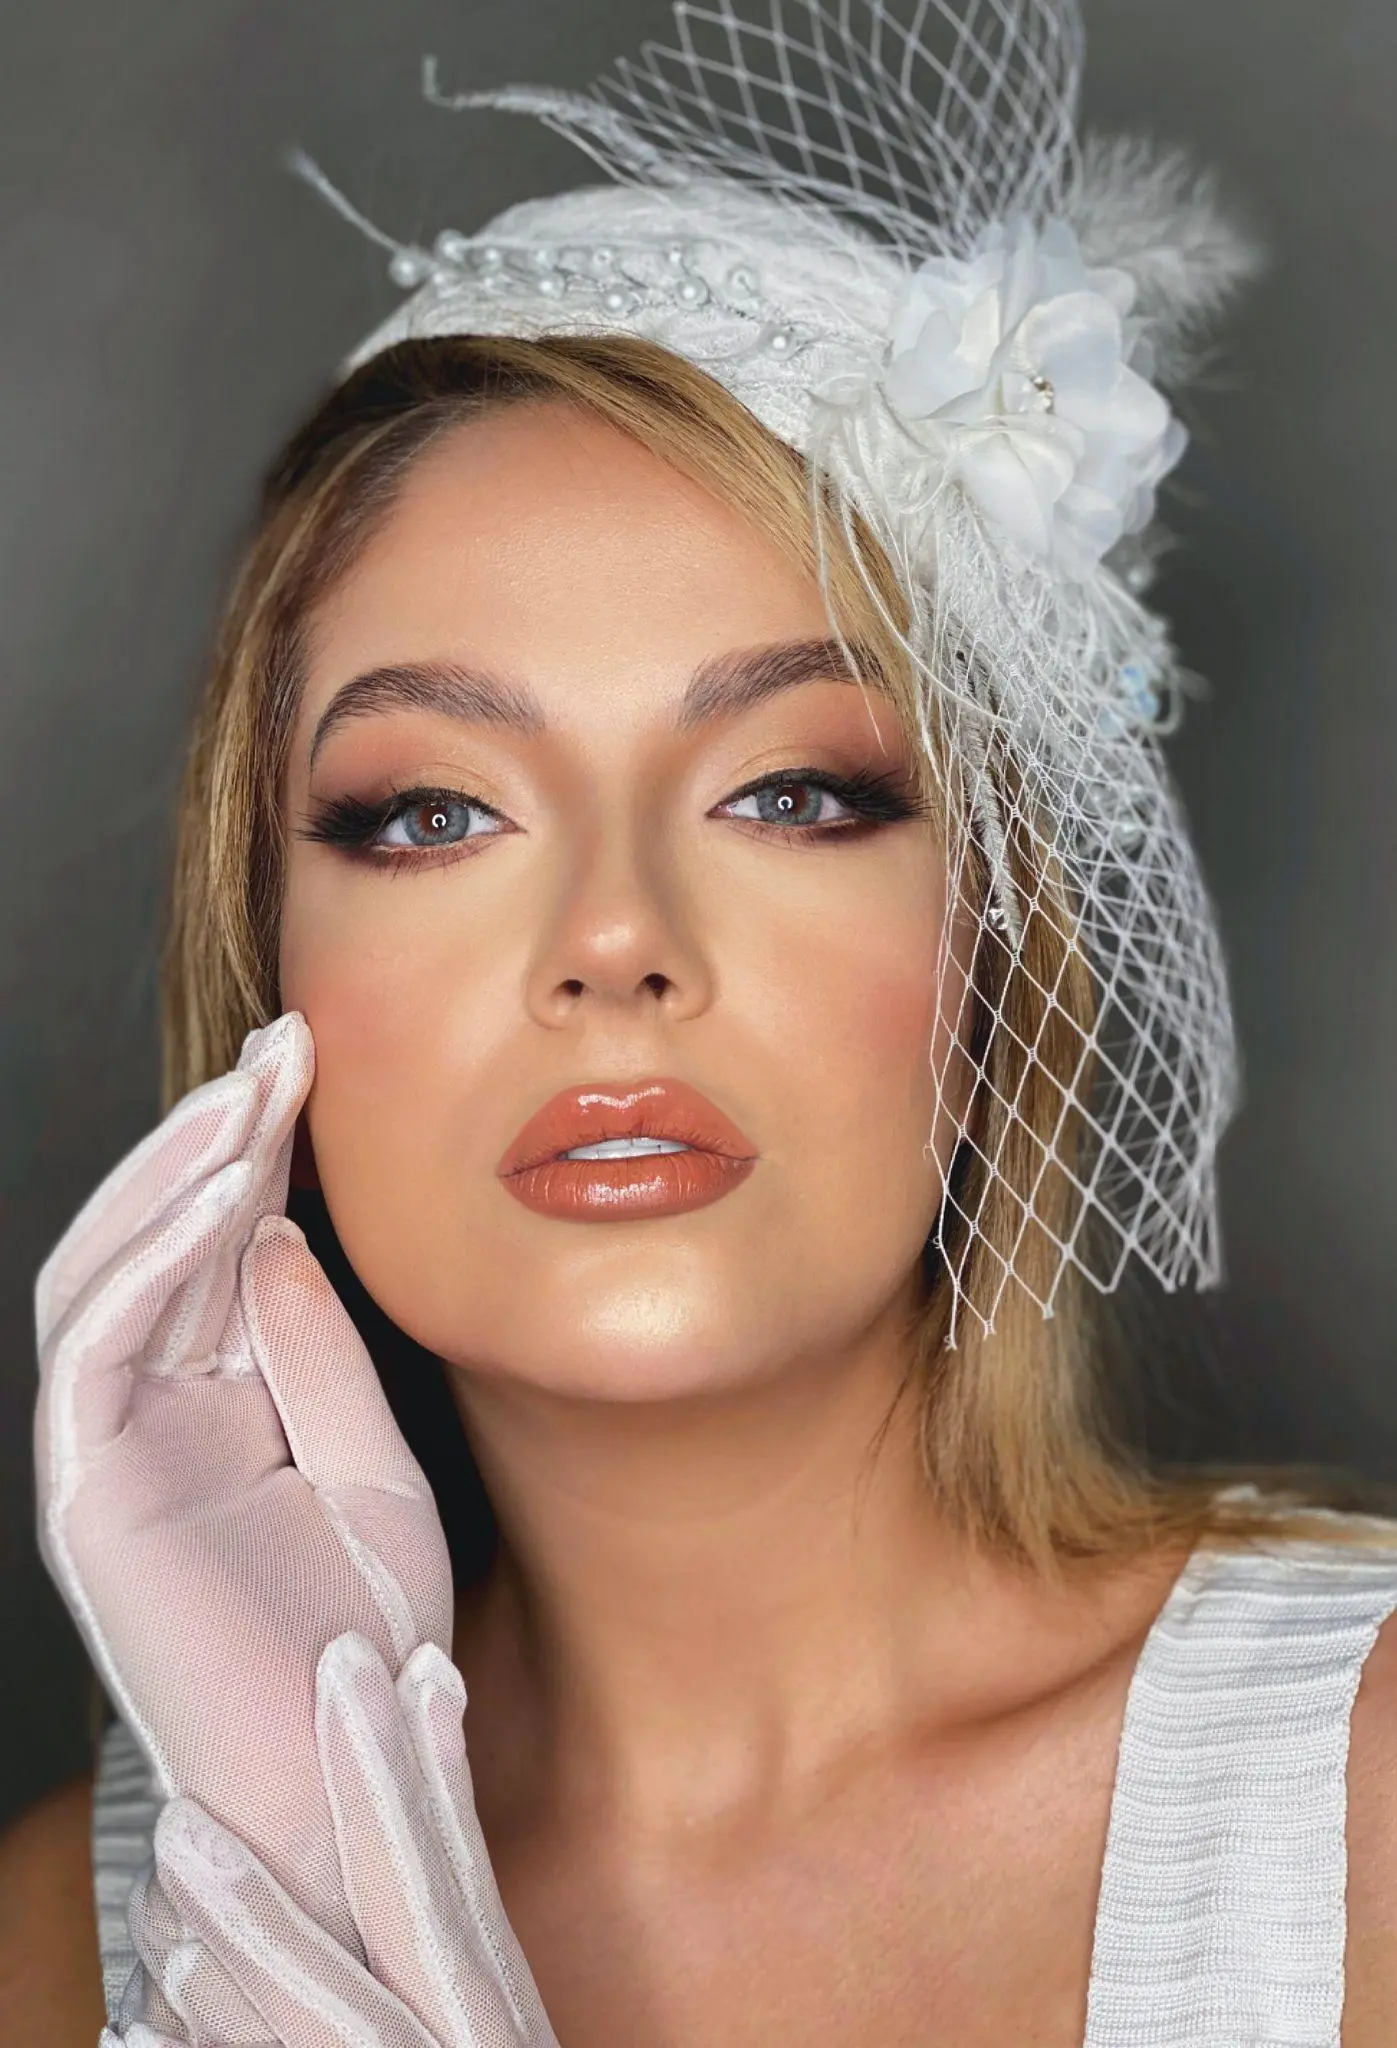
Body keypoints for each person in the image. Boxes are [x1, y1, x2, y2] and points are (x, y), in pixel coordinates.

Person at [7, 2, 1397, 2042]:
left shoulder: (1365, 1796)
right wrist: (296, 1881)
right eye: (432, 813)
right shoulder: (60, 1949)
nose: (612, 942)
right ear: (272, 963)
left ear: (996, 935)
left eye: (792, 792)